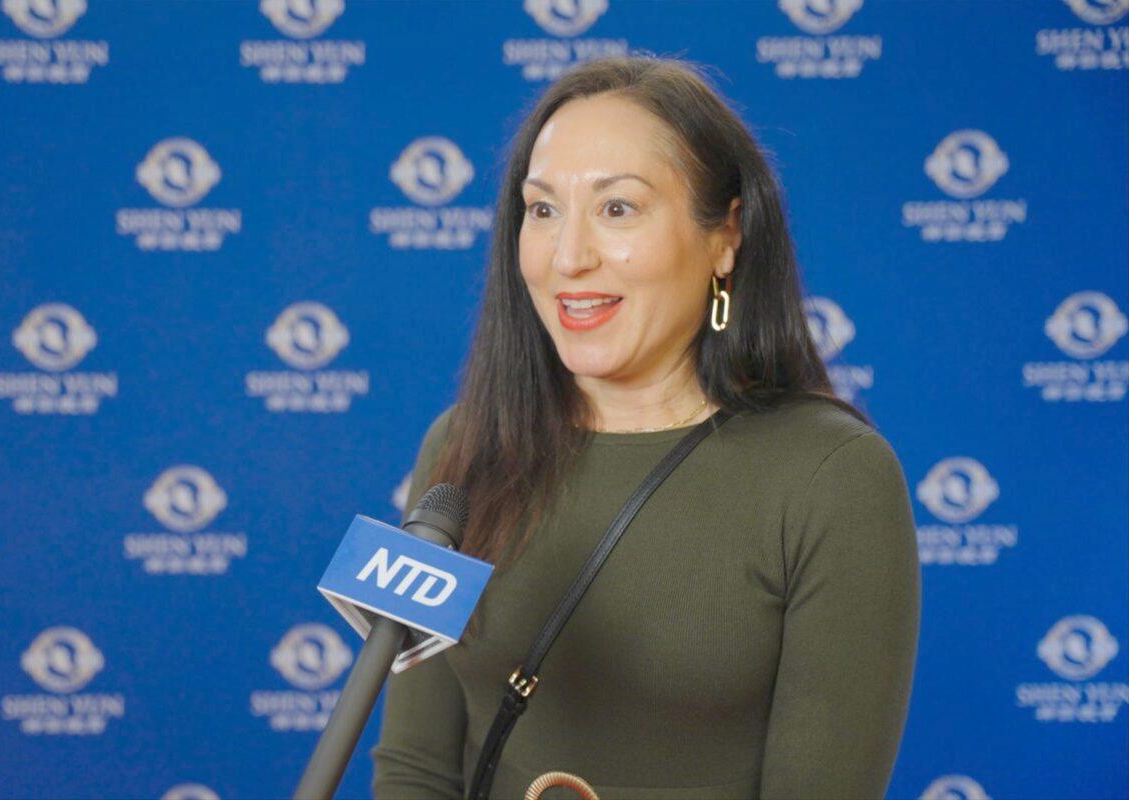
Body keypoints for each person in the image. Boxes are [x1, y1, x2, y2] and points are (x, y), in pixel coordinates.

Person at [371, 55, 920, 800]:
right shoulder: (466, 446)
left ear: (725, 236)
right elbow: (417, 768)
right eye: (542, 210)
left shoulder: (833, 476)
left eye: (618, 208)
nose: (569, 257)